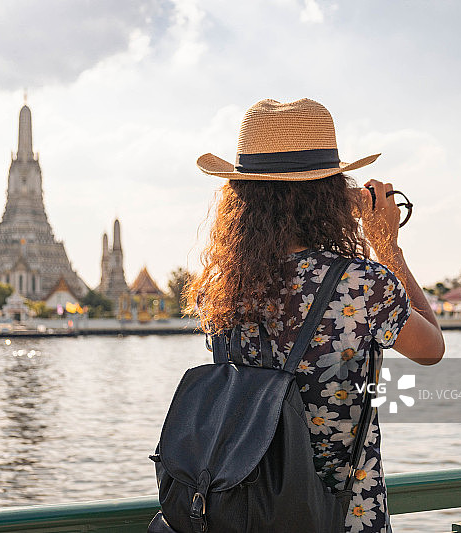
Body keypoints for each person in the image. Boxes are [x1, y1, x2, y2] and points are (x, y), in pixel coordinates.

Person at [187, 98, 445, 533]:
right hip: (338, 514)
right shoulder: (360, 282)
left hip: (243, 508)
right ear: (327, 194)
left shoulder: (221, 288)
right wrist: (388, 247)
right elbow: (431, 349)